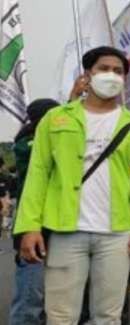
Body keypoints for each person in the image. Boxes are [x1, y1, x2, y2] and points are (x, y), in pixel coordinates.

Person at [14, 46, 130, 324]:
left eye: (118, 71)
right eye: (104, 68)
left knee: (108, 316)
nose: (111, 75)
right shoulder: (55, 120)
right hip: (67, 231)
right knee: (60, 315)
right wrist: (29, 227)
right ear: (87, 75)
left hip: (117, 233)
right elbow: (37, 175)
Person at [9, 98, 59, 325]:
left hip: (57, 227)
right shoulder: (25, 144)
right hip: (30, 229)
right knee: (30, 299)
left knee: (55, 299)